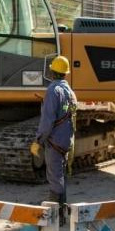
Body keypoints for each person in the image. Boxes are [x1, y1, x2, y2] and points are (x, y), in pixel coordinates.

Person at [36, 55, 76, 206]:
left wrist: (38, 140)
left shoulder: (53, 91)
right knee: (61, 176)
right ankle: (62, 210)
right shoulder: (70, 92)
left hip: (54, 142)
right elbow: (70, 113)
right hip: (65, 141)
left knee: (54, 178)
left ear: (52, 72)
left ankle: (56, 213)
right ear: (65, 73)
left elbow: (47, 121)